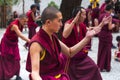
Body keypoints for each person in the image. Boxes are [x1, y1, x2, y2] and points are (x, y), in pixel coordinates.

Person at [26, 6, 111, 80]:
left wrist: (87, 38)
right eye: (59, 21)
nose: (61, 24)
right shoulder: (36, 43)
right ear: (48, 22)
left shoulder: (52, 37)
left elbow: (70, 52)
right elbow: (35, 73)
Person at [62, 6, 102, 80]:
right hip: (70, 56)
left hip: (81, 55)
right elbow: (65, 35)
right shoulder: (68, 23)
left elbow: (91, 30)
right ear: (78, 15)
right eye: (83, 14)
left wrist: (102, 23)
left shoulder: (81, 25)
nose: (85, 17)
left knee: (94, 67)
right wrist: (74, 21)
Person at [0, 14, 30, 80]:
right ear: (20, 19)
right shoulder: (14, 25)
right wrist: (30, 41)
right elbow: (20, 35)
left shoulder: (20, 24)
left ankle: (17, 75)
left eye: (26, 21)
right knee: (6, 59)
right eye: (24, 21)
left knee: (17, 58)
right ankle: (5, 75)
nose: (25, 23)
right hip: (7, 43)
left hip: (14, 43)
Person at [97, 4, 115, 72]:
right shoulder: (109, 16)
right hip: (107, 35)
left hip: (101, 34)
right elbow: (109, 27)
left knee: (101, 50)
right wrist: (113, 25)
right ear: (110, 10)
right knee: (107, 51)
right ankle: (105, 66)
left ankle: (99, 65)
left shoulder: (101, 15)